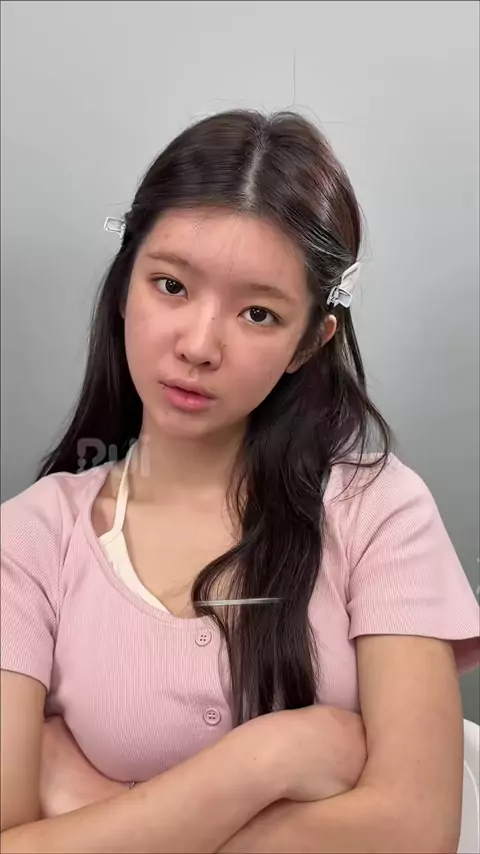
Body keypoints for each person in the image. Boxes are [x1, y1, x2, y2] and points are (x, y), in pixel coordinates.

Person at [1, 109, 478, 854]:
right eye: (171, 285)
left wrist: (87, 806)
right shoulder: (31, 537)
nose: (199, 345)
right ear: (124, 286)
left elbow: (416, 832)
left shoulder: (381, 512)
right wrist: (267, 762)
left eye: (258, 313)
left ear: (309, 342)